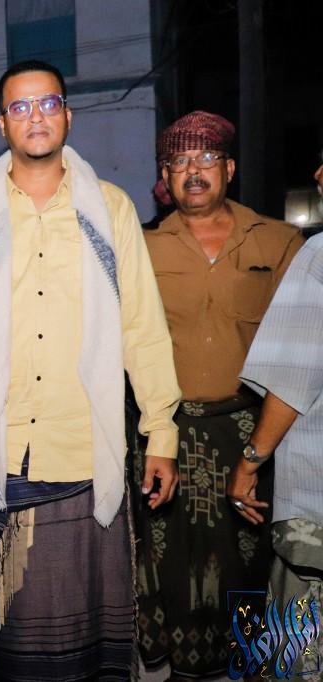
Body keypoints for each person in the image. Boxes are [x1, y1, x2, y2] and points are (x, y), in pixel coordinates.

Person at [0, 59, 182, 681]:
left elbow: (141, 326)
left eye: (47, 104)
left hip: (83, 449)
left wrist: (161, 431)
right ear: (2, 124)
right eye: (20, 106)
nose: (35, 117)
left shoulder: (110, 209)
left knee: (92, 631)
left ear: (68, 114)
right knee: (14, 637)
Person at [136, 111, 303, 677]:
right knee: (173, 565)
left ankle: (257, 664)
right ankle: (184, 668)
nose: (194, 170)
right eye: (180, 161)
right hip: (169, 435)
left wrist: (260, 450)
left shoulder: (281, 241)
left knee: (256, 563)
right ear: (166, 175)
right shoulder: (142, 248)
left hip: (256, 434)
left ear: (229, 168)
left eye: (207, 158)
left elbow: (300, 347)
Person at [225, 169, 323, 682]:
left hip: (316, 505)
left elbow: (292, 377)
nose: (318, 173)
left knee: (300, 653)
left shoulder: (319, 255)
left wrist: (251, 461)